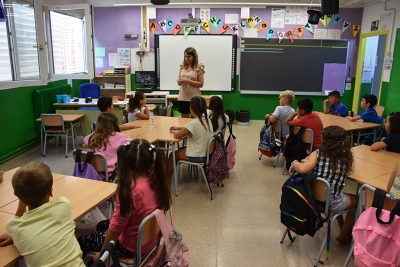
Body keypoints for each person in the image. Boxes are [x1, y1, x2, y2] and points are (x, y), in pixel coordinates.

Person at [78, 139, 172, 262]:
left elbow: (115, 229)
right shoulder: (157, 182)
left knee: (81, 241)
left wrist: (102, 255)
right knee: (101, 225)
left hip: (129, 247)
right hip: (149, 241)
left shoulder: (130, 192)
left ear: (125, 162)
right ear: (151, 162)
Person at [0, 162, 85, 266]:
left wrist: (22, 204)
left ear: (16, 195)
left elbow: (16, 222)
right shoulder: (64, 205)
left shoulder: (14, 226)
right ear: (50, 191)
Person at [289, 126, 358, 245]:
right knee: (359, 200)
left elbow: (303, 169)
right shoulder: (346, 157)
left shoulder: (317, 154)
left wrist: (295, 163)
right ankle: (342, 235)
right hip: (331, 203)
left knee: (335, 194)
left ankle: (341, 227)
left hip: (310, 200)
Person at [166, 96, 214, 183]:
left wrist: (174, 131)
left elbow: (177, 136)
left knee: (172, 155)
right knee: (178, 151)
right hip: (207, 153)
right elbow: (191, 129)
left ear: (191, 108)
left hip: (198, 155)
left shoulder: (194, 123)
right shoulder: (207, 120)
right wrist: (179, 128)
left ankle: (166, 180)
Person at [84, 112, 131, 178]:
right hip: (112, 172)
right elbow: (131, 144)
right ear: (115, 123)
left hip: (93, 172)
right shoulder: (120, 137)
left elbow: (85, 140)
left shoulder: (92, 137)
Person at [177, 47, 205, 118]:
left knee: (195, 121)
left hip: (194, 98)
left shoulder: (199, 68)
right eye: (185, 56)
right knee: (184, 122)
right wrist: (179, 81)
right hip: (183, 97)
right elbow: (179, 82)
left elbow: (201, 84)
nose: (186, 59)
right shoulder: (182, 67)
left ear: (194, 57)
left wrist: (188, 81)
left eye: (188, 57)